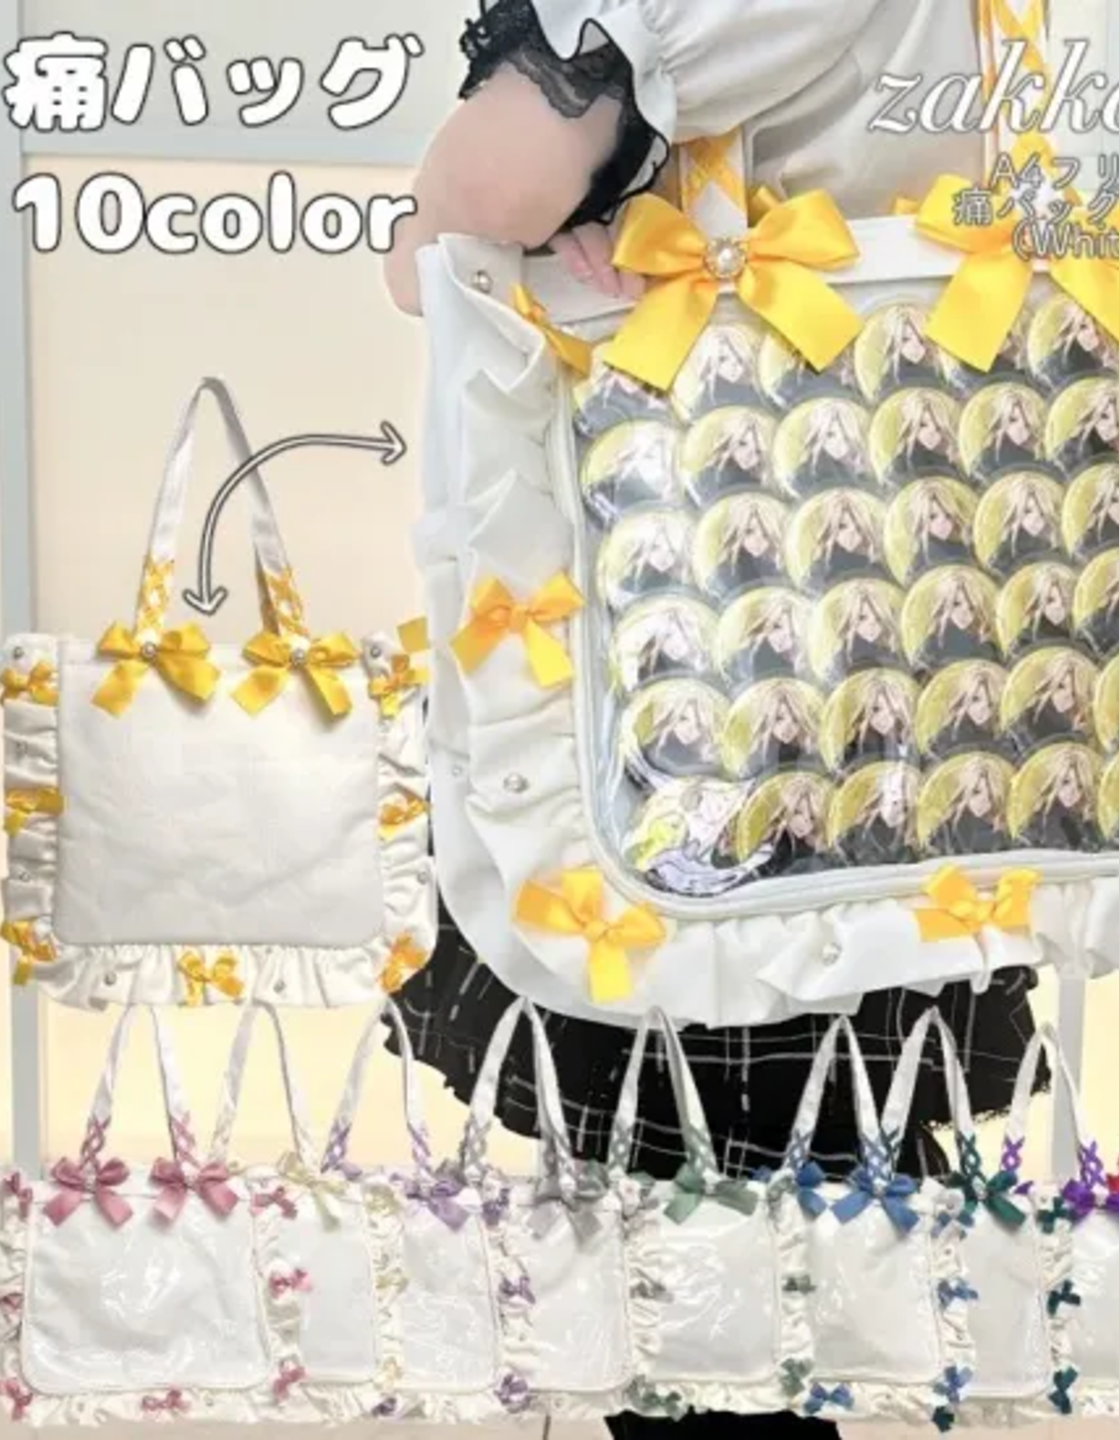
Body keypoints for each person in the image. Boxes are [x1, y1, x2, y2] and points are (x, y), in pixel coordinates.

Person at [384, 4, 1046, 1434]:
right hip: (881, 638)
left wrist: (474, 208)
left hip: (710, 631)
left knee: (705, 1238)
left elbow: (484, 194)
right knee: (801, 1223)